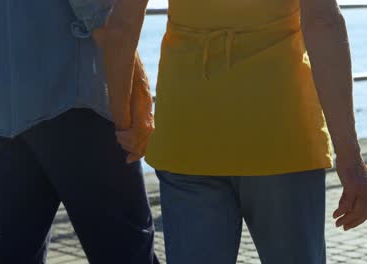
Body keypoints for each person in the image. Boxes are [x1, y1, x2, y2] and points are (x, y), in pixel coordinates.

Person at [144, 0, 367, 263]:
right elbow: (322, 22)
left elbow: (121, 24)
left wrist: (126, 117)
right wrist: (350, 158)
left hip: (188, 131)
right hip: (280, 133)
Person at [0, 0, 158, 263]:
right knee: (127, 250)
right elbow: (106, 20)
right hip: (73, 96)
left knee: (17, 250)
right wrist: (131, 109)